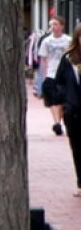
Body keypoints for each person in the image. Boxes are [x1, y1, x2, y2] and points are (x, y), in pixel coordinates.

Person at [47, 27, 81, 198]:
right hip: (73, 112)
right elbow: (59, 83)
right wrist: (64, 103)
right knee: (77, 148)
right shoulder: (68, 59)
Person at [38, 17, 70, 136]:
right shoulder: (46, 41)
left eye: (56, 24)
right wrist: (43, 76)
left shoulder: (68, 40)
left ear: (62, 26)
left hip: (64, 74)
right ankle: (57, 123)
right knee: (53, 100)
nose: (53, 27)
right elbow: (43, 59)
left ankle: (58, 122)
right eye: (52, 25)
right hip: (51, 73)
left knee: (61, 100)